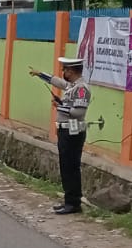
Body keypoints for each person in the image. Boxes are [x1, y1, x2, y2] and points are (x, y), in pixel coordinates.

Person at [29, 54, 91, 215]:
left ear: (71, 71)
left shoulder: (82, 88)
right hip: (65, 130)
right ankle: (68, 201)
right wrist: (40, 74)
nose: (63, 72)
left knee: (71, 167)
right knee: (65, 166)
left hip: (73, 132)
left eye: (65, 70)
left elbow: (79, 112)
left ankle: (73, 203)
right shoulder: (72, 86)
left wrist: (59, 106)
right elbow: (58, 82)